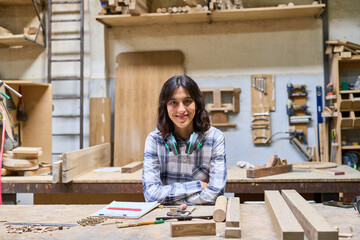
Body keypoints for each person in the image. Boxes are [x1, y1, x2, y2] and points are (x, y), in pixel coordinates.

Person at [142, 75, 227, 204]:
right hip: (165, 216)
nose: (181, 110)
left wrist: (168, 198)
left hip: (203, 217)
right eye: (173, 103)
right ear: (165, 107)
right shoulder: (154, 140)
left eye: (187, 101)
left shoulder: (215, 138)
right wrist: (197, 186)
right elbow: (151, 196)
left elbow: (216, 193)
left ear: (197, 104)